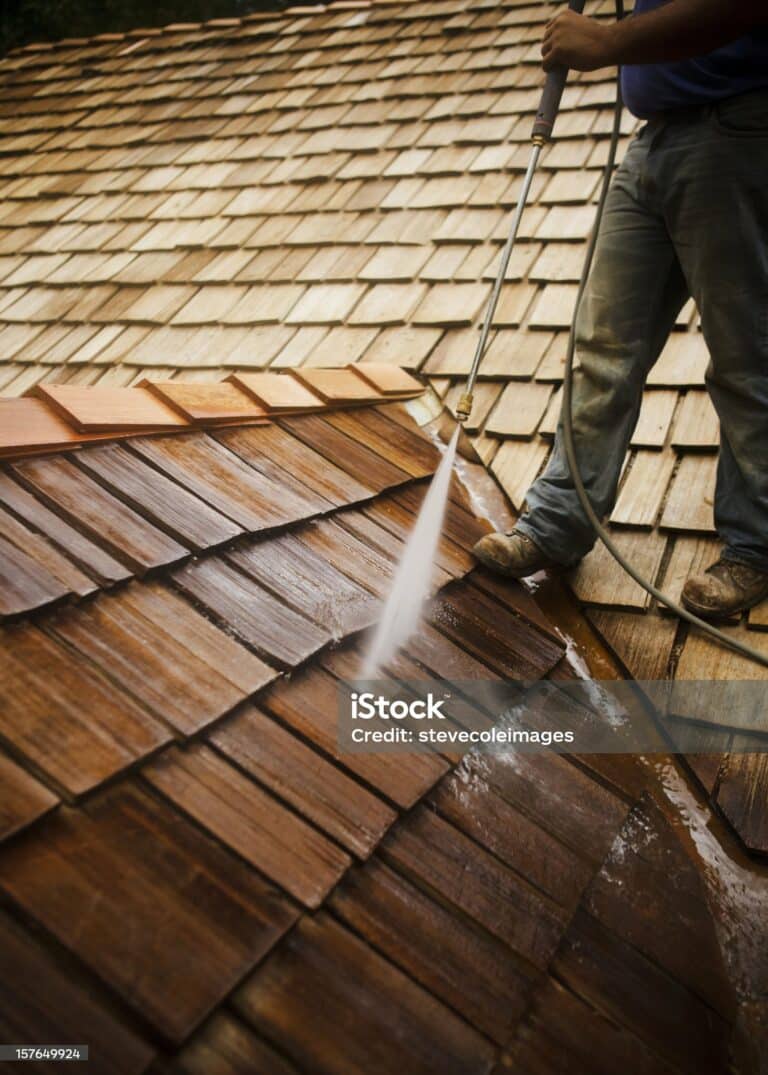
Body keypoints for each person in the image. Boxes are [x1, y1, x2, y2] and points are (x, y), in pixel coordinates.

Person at [473, 0, 768, 619]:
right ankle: (557, 523)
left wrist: (607, 42)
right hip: (655, 141)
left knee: (746, 355)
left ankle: (757, 549)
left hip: (739, 129)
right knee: (602, 344)